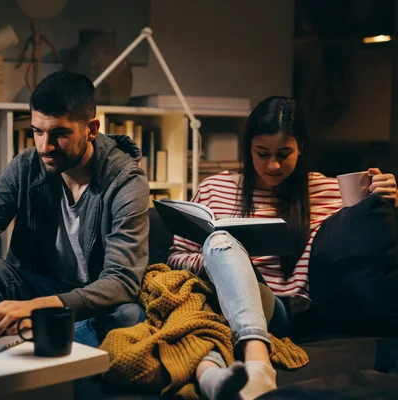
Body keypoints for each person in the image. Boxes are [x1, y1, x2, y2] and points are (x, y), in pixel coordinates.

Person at [167, 96, 398, 399]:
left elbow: (371, 232)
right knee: (218, 247)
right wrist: (220, 261)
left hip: (281, 309)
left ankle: (257, 361)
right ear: (248, 149)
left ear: (301, 147)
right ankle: (217, 380)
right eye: (262, 153)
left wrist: (389, 198)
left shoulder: (327, 190)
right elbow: (174, 259)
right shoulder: (214, 188)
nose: (272, 165)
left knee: (220, 245)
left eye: (284, 153)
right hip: (220, 302)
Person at [0, 71, 149, 348]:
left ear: (91, 129)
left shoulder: (125, 180)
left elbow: (122, 281)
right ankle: (42, 334)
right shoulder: (26, 166)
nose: (45, 146)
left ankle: (30, 334)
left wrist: (37, 308)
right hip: (38, 286)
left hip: (92, 297)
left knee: (128, 315)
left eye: (60, 134)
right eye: (37, 131)